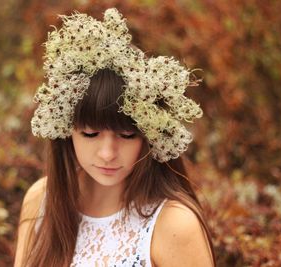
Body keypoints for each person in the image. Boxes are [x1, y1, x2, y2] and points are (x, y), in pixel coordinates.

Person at [14, 8, 215, 267]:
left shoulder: (173, 224)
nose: (108, 153)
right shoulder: (41, 200)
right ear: (66, 132)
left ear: (148, 136)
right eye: (90, 133)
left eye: (127, 135)